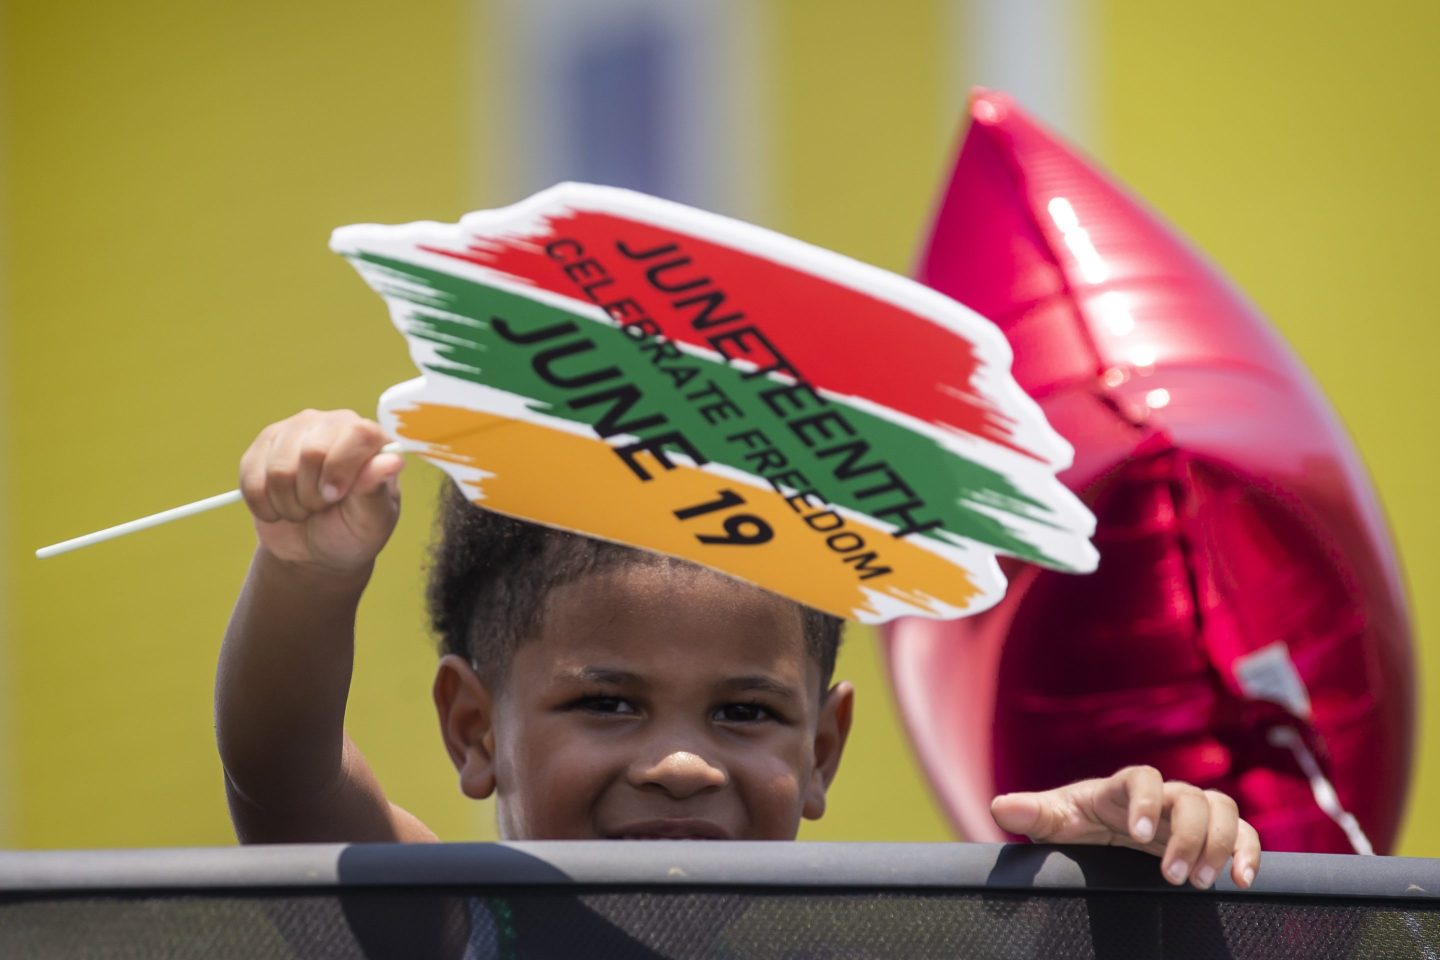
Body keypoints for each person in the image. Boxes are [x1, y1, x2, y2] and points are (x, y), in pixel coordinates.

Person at [217, 409, 1260, 890]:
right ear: (474, 727)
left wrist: (1115, 896)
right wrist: (309, 572)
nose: (683, 763)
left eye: (745, 712)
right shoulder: (447, 928)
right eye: (609, 702)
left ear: (822, 749)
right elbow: (281, 769)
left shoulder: (896, 939)